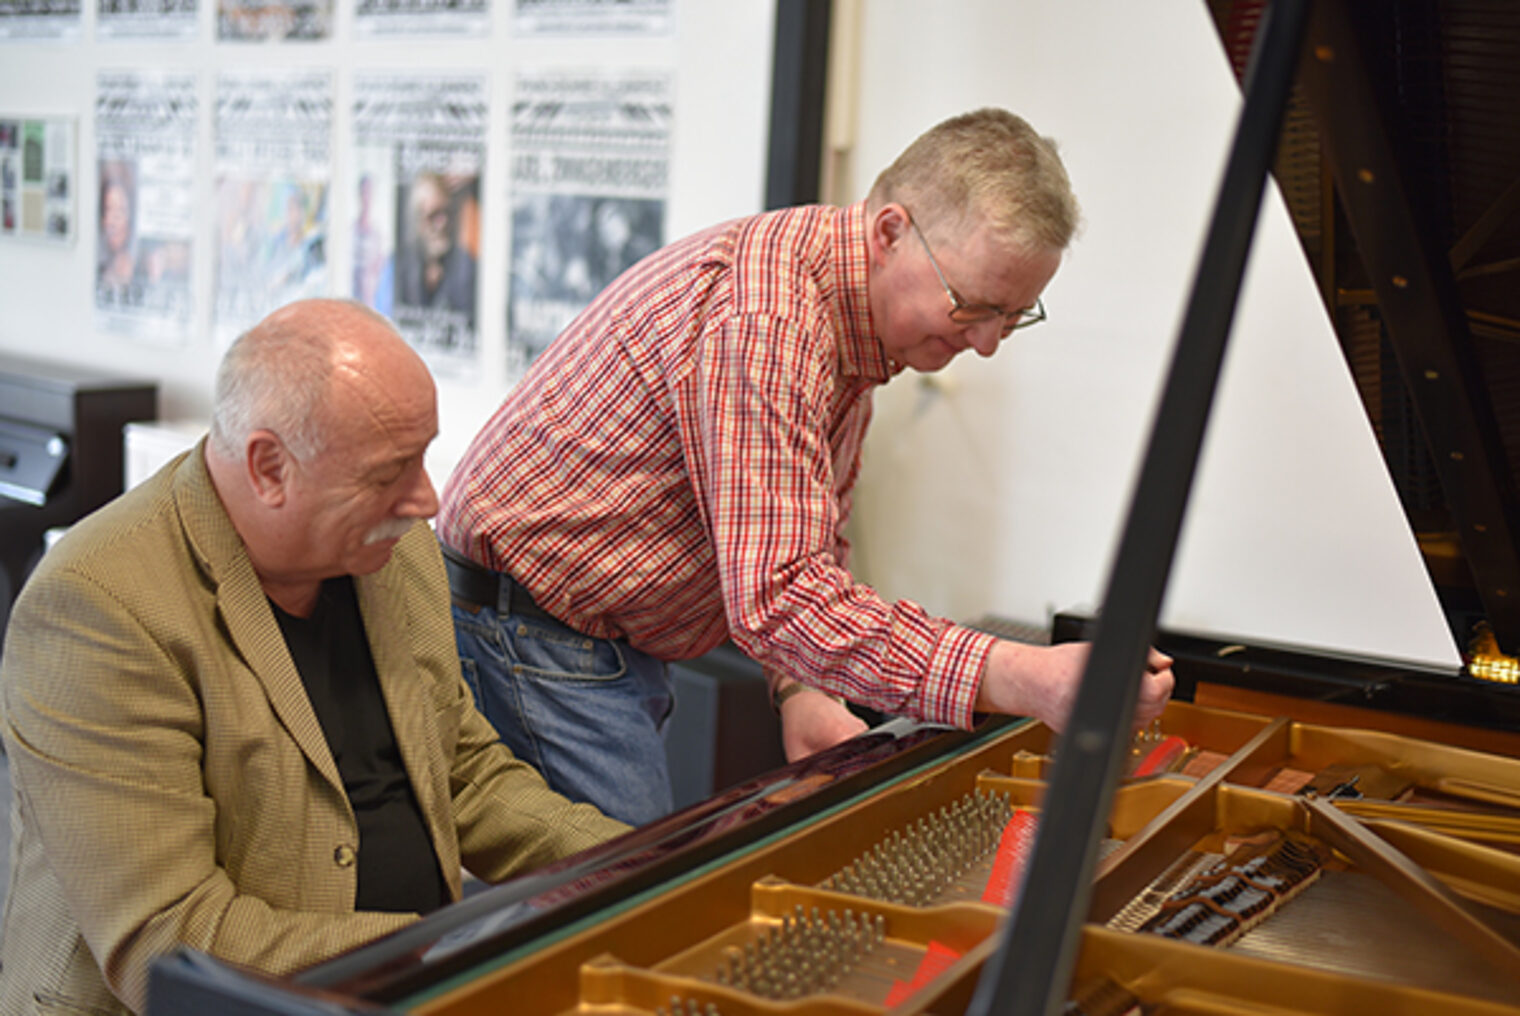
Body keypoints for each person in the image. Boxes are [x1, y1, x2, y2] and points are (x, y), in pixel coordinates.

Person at [437, 108, 1175, 827]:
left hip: (589, 633)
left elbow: (801, 530)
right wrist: (1018, 675)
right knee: (604, 906)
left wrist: (801, 688)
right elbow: (783, 590)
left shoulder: (849, 319)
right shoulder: (770, 321)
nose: (986, 343)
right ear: (891, 232)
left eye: (1014, 316)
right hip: (531, 628)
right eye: (971, 306)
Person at [0, 299, 628, 1016]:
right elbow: (171, 943)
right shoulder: (100, 605)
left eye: (424, 457)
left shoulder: (393, 553)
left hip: (406, 983)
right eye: (390, 472)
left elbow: (463, 772)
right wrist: (458, 951)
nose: (426, 500)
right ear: (269, 466)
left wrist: (635, 864)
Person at [395, 171, 477, 326]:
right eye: (433, 215)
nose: (442, 224)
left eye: (447, 213)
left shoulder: (469, 270)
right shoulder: (399, 269)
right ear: (417, 221)